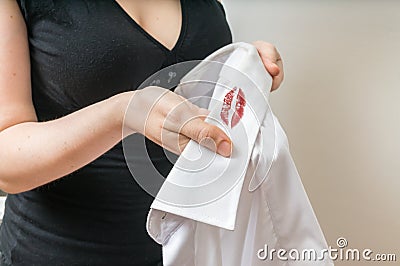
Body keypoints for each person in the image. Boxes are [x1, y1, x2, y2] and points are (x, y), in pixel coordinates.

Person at [0, 0, 284, 265]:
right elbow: (6, 164)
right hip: (55, 252)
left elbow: (196, 102)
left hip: (188, 250)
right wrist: (121, 113)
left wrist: (240, 66)